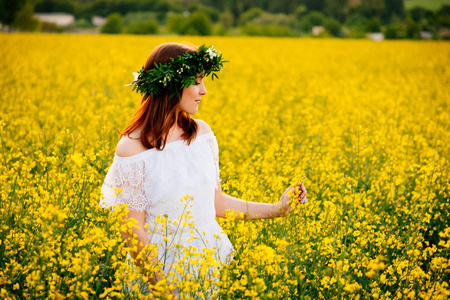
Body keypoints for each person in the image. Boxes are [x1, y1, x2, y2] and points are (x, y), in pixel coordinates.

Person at [100, 42, 308, 296]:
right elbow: (134, 230)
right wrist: (165, 291)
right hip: (159, 273)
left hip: (204, 266)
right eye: (196, 81)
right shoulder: (132, 148)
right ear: (171, 84)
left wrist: (277, 209)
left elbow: (214, 202)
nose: (204, 90)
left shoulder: (202, 134)